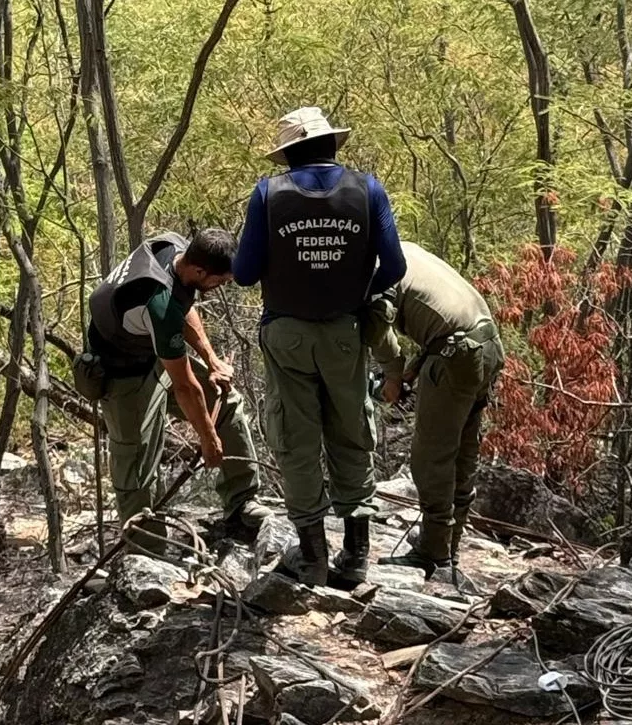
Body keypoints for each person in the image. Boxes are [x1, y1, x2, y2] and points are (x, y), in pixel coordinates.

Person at [234, 106, 406, 586]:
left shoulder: (268, 194)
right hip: (345, 333)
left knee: (297, 438)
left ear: (289, 153)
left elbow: (245, 273)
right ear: (332, 145)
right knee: (351, 431)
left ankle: (312, 556)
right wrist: (355, 291)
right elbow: (393, 267)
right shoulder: (368, 190)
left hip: (286, 333)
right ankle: (355, 555)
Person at [87, 229, 272, 551]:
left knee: (225, 402)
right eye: (222, 280)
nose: (223, 286)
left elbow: (184, 306)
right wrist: (208, 437)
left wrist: (212, 361)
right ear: (200, 271)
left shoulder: (175, 248)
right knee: (136, 464)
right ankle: (145, 551)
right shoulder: (156, 302)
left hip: (153, 353)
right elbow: (186, 388)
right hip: (123, 378)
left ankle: (241, 501)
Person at [369, 241, 505, 577]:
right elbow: (439, 318)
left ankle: (434, 553)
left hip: (456, 355)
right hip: (486, 346)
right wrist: (415, 369)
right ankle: (448, 545)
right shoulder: (405, 249)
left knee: (431, 457)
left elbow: (375, 327)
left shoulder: (375, 267)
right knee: (462, 453)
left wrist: (394, 375)